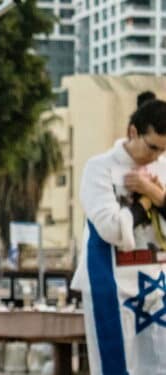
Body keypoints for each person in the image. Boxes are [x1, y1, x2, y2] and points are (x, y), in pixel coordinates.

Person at [71, 99, 166, 374]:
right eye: (152, 147)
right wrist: (143, 205)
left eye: (163, 150)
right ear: (132, 132)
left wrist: (156, 194)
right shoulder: (98, 167)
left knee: (159, 363)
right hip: (113, 281)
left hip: (156, 279)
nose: (156, 156)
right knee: (117, 366)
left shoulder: (161, 167)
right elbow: (111, 228)